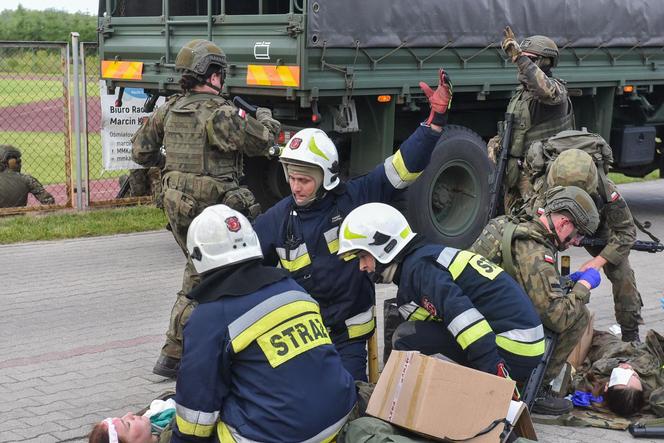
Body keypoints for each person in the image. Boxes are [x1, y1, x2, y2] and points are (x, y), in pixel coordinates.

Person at [253, 69, 452, 381]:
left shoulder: (354, 197)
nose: (295, 187)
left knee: (348, 400)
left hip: (350, 337)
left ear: (325, 176)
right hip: (304, 337)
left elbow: (402, 168)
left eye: (304, 180)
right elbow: (247, 265)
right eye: (291, 178)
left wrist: (434, 122)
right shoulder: (278, 218)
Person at [131, 39, 281, 378]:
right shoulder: (222, 114)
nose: (223, 80)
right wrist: (265, 116)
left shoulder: (169, 109)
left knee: (203, 269)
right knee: (203, 276)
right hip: (212, 207)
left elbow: (141, 153)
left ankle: (211, 343)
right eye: (221, 73)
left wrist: (171, 168)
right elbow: (265, 141)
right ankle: (173, 352)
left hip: (174, 202)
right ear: (211, 75)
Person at [172, 204, 357, 442]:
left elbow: (195, 420)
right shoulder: (292, 287)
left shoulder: (208, 319)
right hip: (340, 416)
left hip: (285, 435)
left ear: (197, 257)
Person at [337, 202, 545, 383]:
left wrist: (494, 375)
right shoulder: (423, 260)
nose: (361, 266)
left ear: (384, 247)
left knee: (407, 336)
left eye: (363, 256)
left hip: (511, 348)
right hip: (522, 343)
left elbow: (465, 319)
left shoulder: (420, 270)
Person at [470, 185, 601, 415]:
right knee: (577, 315)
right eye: (577, 234)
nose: (576, 242)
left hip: (474, 318)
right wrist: (583, 286)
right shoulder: (535, 251)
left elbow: (526, 281)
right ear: (563, 224)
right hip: (493, 335)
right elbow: (557, 317)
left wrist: (567, 281)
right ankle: (535, 390)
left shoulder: (507, 224)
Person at [532, 149, 644, 342]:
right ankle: (542, 318)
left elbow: (626, 233)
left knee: (622, 273)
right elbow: (531, 225)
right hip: (556, 226)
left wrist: (598, 261)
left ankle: (630, 334)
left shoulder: (606, 190)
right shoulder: (545, 189)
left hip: (596, 229)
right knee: (535, 265)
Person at [491, 27, 574, 213]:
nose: (521, 65)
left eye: (530, 59)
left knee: (538, 234)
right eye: (523, 58)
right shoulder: (520, 96)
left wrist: (520, 58)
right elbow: (513, 133)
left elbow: (545, 89)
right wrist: (495, 145)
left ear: (546, 62)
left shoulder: (556, 91)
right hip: (515, 178)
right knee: (511, 231)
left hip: (541, 181)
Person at [571, 328, 664, 417]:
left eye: (623, 374)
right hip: (634, 348)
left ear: (607, 386)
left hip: (603, 343)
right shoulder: (652, 387)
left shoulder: (595, 381)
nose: (629, 369)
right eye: (635, 376)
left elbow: (587, 373)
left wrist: (618, 363)